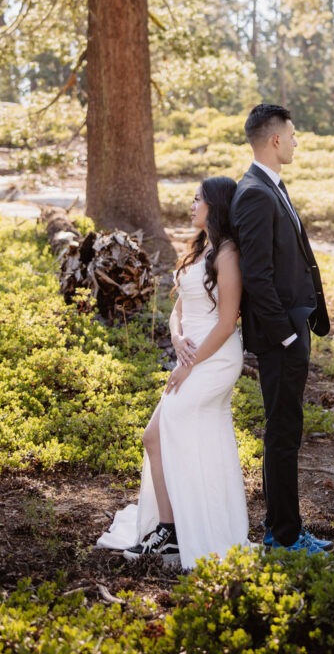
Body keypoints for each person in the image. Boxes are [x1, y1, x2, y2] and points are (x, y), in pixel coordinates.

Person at [96, 176, 249, 569]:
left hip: (215, 360)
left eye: (198, 199)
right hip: (190, 357)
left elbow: (228, 322)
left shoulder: (228, 254)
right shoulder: (201, 248)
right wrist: (177, 338)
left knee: (173, 431)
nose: (191, 204)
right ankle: (171, 527)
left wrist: (190, 364)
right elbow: (179, 308)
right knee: (154, 437)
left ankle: (181, 531)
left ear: (215, 205)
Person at [230, 103, 331, 553]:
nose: (295, 141)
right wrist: (285, 334)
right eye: (292, 134)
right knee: (283, 431)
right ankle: (283, 535)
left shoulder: (271, 185)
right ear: (275, 140)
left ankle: (284, 528)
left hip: (293, 325)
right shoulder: (254, 192)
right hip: (281, 336)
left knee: (287, 428)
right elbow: (256, 275)